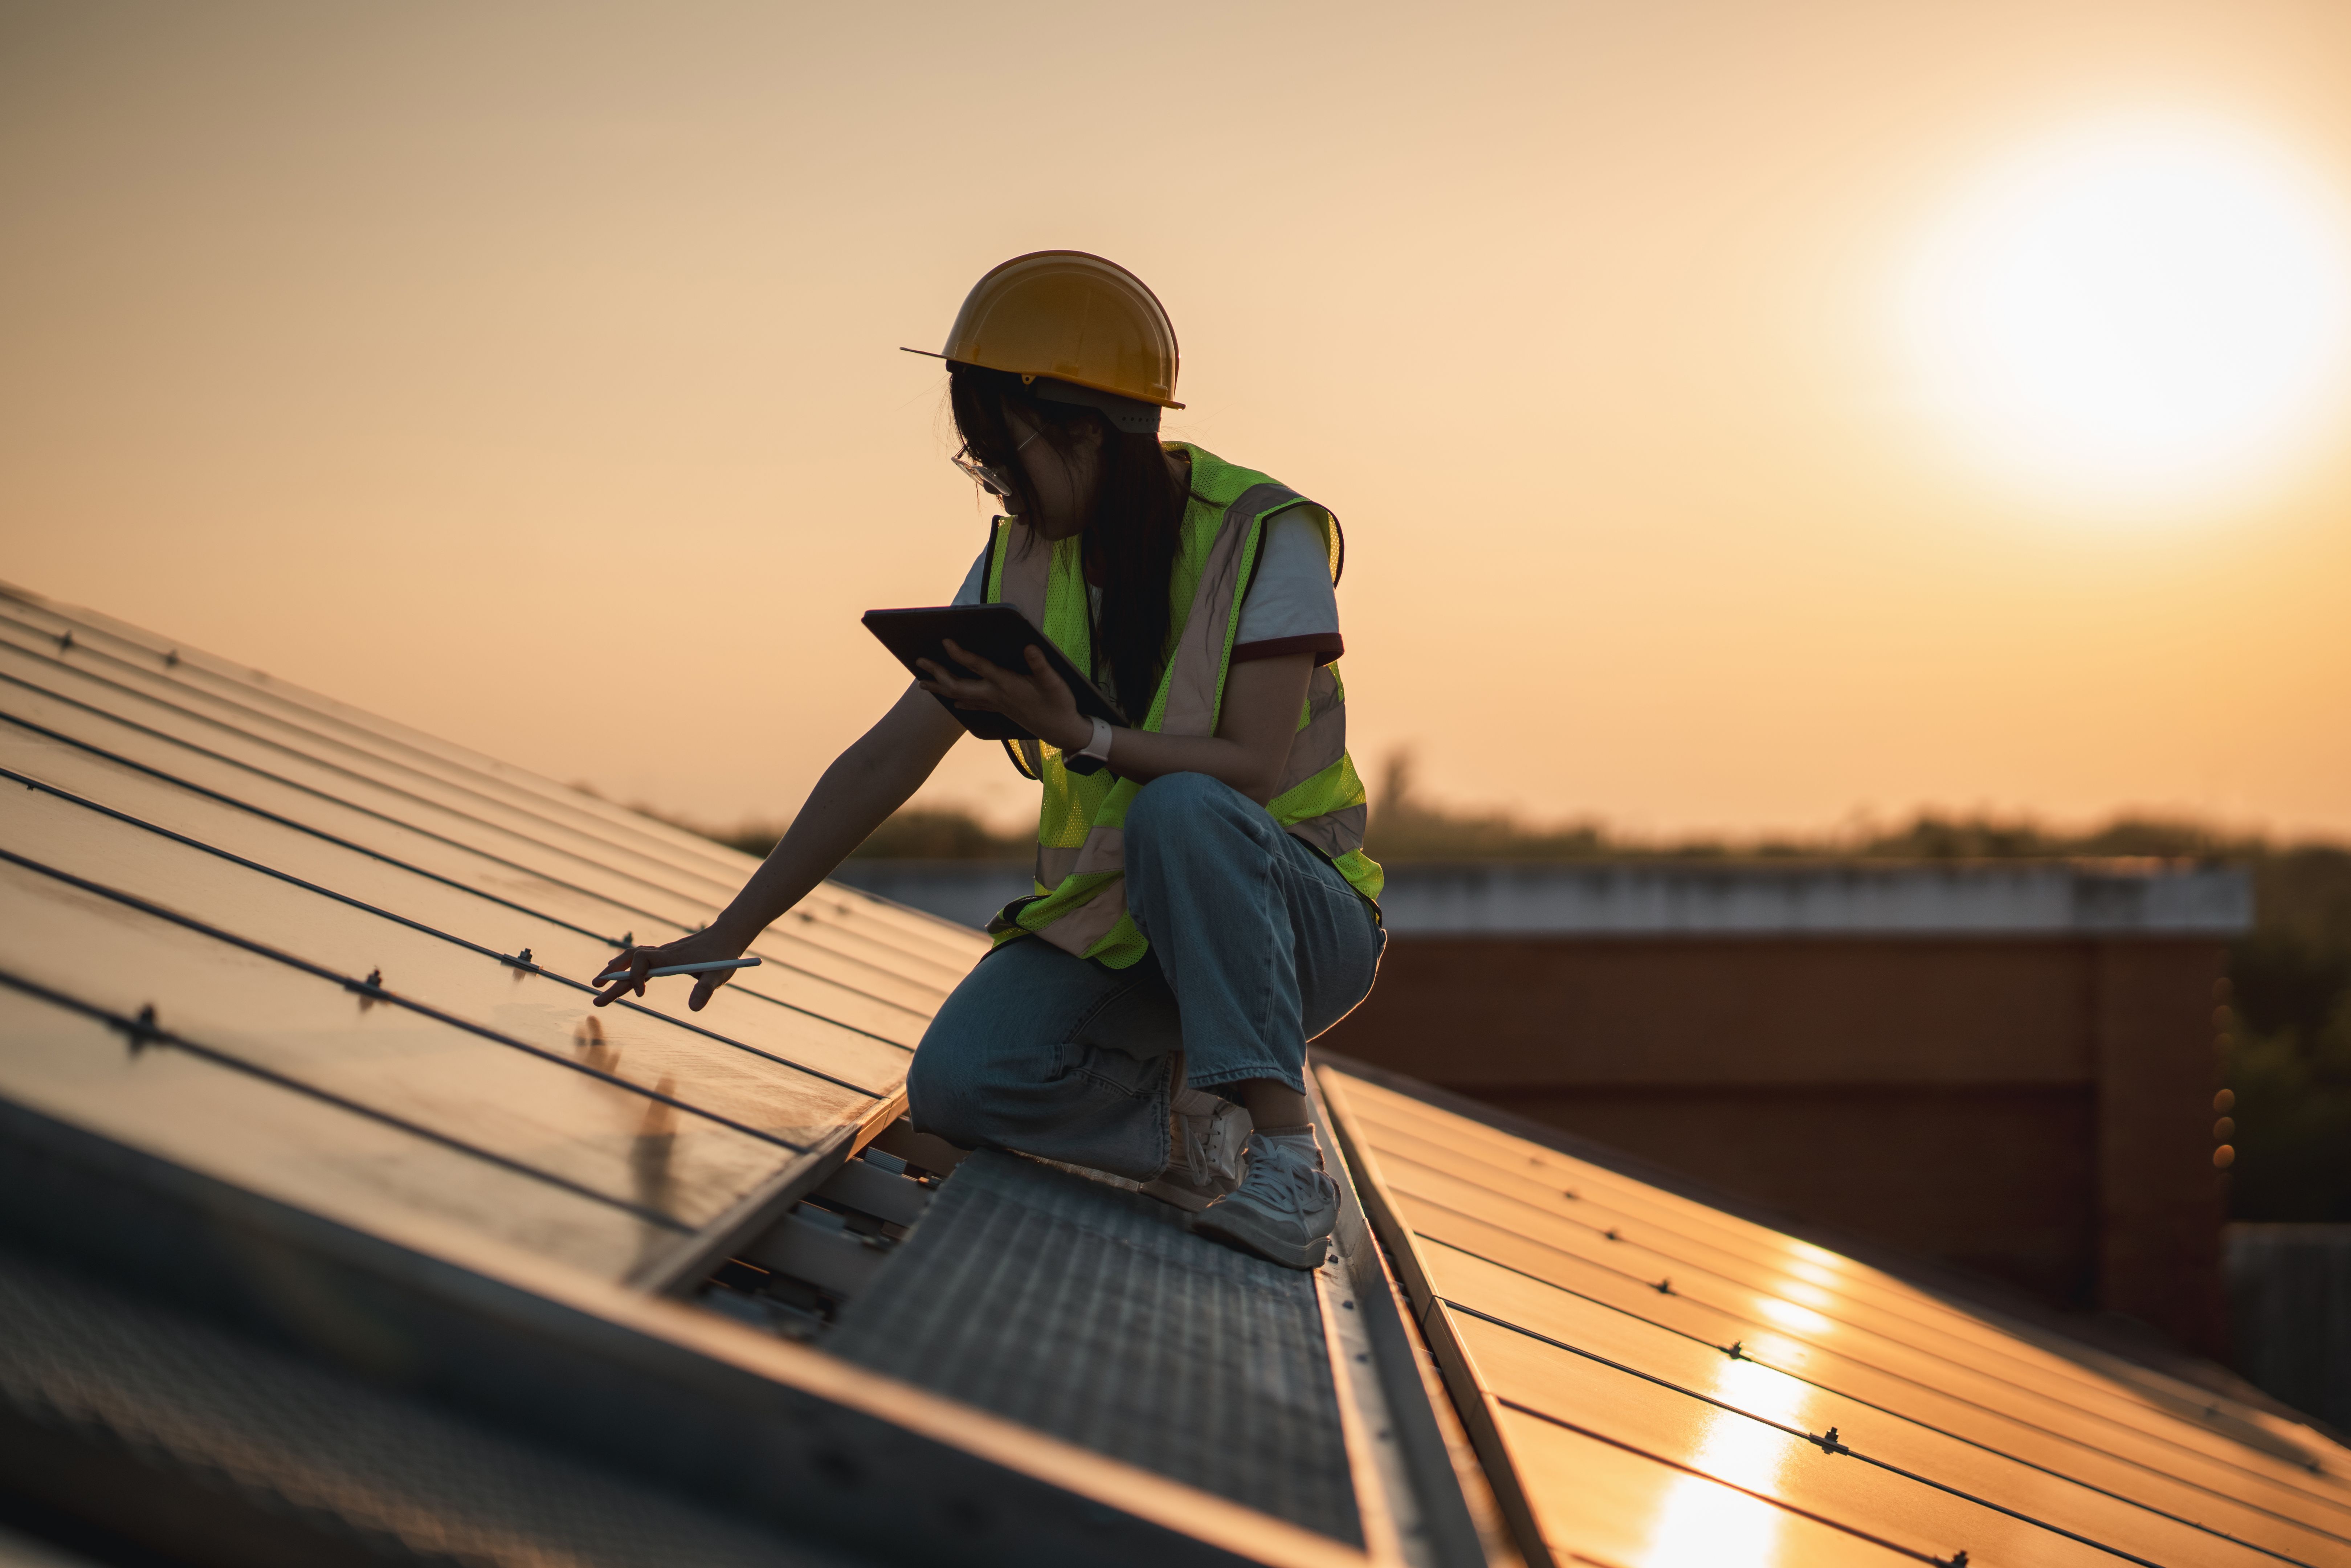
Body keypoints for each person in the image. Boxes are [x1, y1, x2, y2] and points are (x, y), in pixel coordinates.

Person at [594, 251, 1384, 1269]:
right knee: (963, 1084)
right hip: (1126, 940)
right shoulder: (1019, 562)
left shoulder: (1263, 532)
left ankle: (1287, 1159)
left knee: (1183, 808)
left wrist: (1082, 736)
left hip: (1295, 924)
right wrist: (728, 929)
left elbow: (1251, 770)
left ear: (1083, 428)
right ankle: (1194, 1128)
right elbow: (885, 762)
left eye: (997, 451)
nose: (993, 480)